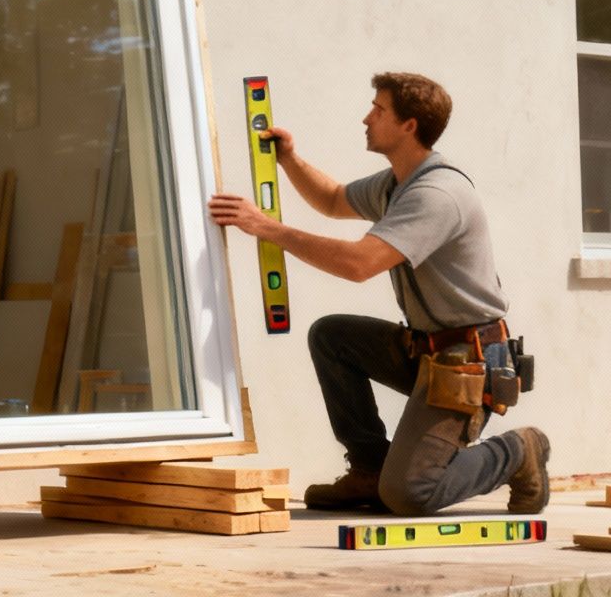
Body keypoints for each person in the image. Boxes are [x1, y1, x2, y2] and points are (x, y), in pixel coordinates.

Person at [207, 72, 549, 517]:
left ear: (409, 125)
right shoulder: (397, 184)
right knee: (333, 336)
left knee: (410, 493)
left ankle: (518, 451)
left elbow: (359, 264)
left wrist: (268, 228)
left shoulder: (437, 194)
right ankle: (369, 468)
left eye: (379, 109)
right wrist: (289, 159)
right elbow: (333, 199)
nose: (366, 118)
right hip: (425, 351)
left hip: (469, 363)